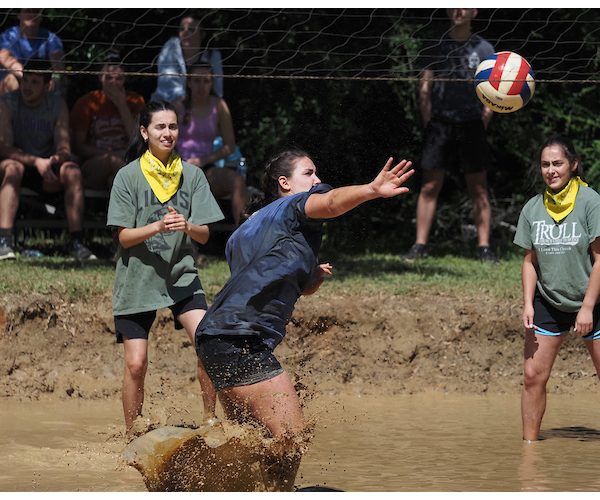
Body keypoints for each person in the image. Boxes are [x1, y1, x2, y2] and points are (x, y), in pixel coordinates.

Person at [195, 150, 415, 436]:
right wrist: (371, 190)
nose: (318, 180)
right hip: (241, 340)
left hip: (213, 340)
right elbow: (333, 202)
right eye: (309, 173)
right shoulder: (295, 206)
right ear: (285, 183)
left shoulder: (248, 228)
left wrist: (308, 276)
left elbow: (261, 282)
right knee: (291, 438)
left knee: (247, 445)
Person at [106, 100, 225, 431]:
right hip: (137, 281)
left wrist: (186, 225)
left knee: (208, 343)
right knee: (135, 364)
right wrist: (158, 226)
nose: (167, 133)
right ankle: (133, 434)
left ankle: (210, 422)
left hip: (180, 275)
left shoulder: (194, 175)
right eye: (160, 127)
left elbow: (203, 236)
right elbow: (125, 238)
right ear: (145, 132)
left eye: (173, 126)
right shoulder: (127, 176)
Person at [514, 136, 600, 443]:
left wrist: (588, 307)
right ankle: (530, 454)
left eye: (558, 163)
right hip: (548, 301)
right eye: (545, 165)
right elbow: (529, 261)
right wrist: (527, 303)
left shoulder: (591, 201)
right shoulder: (533, 208)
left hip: (592, 300)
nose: (551, 170)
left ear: (573, 165)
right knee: (533, 376)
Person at [402, 8, 498, 264]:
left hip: (472, 123)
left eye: (464, 5)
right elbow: (425, 85)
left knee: (478, 187)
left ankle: (485, 249)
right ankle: (419, 245)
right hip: (440, 123)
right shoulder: (435, 45)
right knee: (430, 185)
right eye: (454, 5)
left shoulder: (485, 49)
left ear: (474, 12)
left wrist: (485, 117)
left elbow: (493, 88)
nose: (458, 10)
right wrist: (429, 120)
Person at [0, 59, 96, 261]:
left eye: (35, 82)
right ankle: (4, 241)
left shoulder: (57, 105)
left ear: (47, 85)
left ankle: (77, 243)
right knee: (13, 168)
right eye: (26, 80)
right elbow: (4, 148)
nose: (27, 86)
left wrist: (55, 160)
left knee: (72, 171)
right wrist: (36, 161)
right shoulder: (7, 102)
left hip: (47, 167)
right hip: (18, 164)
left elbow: (64, 147)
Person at [178, 62, 247, 226]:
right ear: (188, 83)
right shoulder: (177, 105)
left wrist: (204, 160)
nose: (202, 86)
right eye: (196, 81)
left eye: (206, 81)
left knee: (237, 180)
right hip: (178, 167)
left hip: (206, 168)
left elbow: (229, 146)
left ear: (212, 82)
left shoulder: (219, 105)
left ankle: (245, 237)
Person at [70, 53, 145, 190]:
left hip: (125, 166)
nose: (113, 83)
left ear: (125, 80)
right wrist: (112, 155)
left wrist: (122, 106)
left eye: (119, 78)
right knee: (114, 164)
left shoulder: (135, 101)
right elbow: (78, 146)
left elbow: (138, 141)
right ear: (100, 77)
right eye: (109, 77)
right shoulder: (87, 102)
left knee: (114, 181)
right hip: (94, 164)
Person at [151, 14, 224, 113]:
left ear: (202, 35)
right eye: (181, 29)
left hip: (204, 109)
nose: (185, 32)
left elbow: (217, 89)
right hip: (166, 109)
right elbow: (169, 87)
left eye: (191, 29)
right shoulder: (170, 48)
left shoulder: (213, 56)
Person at [0, 8, 65, 96]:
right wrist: (29, 78)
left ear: (41, 16)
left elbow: (58, 60)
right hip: (18, 82)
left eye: (36, 11)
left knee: (61, 81)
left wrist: (55, 77)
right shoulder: (8, 36)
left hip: (41, 85)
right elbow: (5, 57)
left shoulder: (50, 38)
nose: (32, 15)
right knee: (11, 80)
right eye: (28, 11)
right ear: (19, 15)